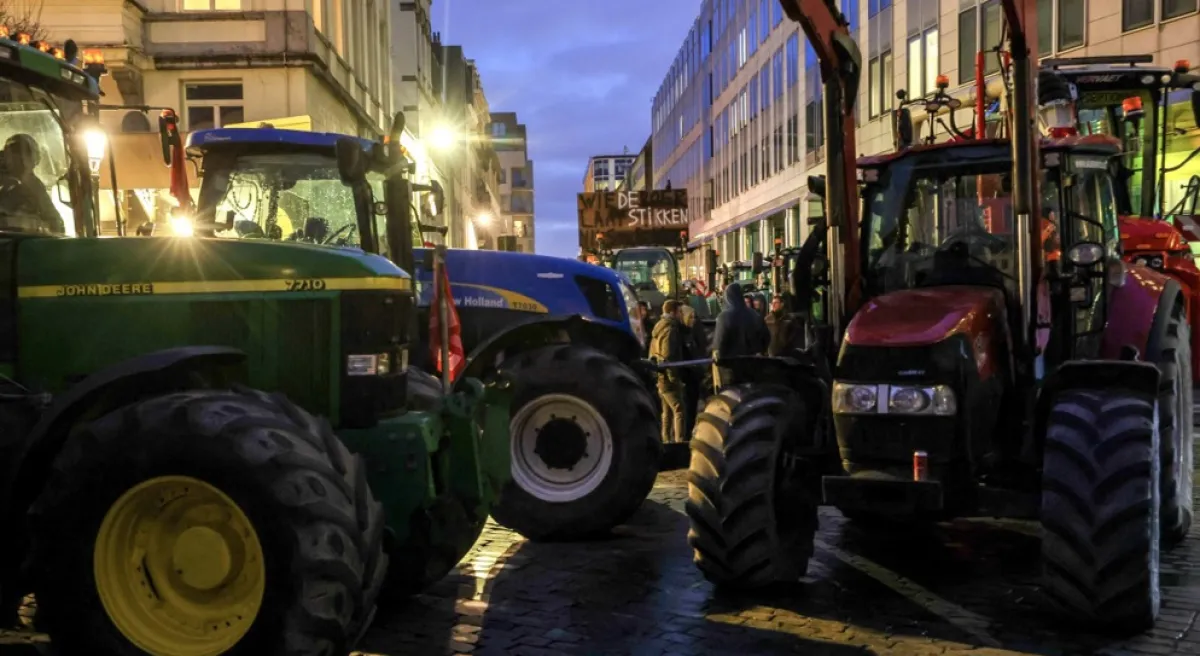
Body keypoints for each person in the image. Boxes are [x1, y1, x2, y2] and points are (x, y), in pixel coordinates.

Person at [0, 134, 65, 234]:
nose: (21, 161)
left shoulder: (35, 187)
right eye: (14, 154)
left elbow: (57, 225)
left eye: (25, 156)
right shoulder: (5, 185)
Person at [711, 282, 769, 390]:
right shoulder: (754, 315)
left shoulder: (724, 317)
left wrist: (719, 359)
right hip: (753, 366)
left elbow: (719, 344)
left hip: (731, 369)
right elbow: (766, 337)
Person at [649, 300, 686, 444]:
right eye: (679, 312)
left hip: (660, 376)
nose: (681, 315)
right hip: (668, 377)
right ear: (672, 312)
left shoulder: (658, 327)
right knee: (679, 409)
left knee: (666, 412)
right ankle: (680, 442)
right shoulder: (670, 329)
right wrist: (675, 379)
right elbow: (668, 356)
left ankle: (666, 441)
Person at [678, 304, 708, 437]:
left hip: (693, 376)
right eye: (690, 317)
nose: (693, 320)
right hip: (686, 377)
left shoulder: (691, 332)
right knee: (686, 410)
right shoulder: (680, 334)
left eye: (694, 317)